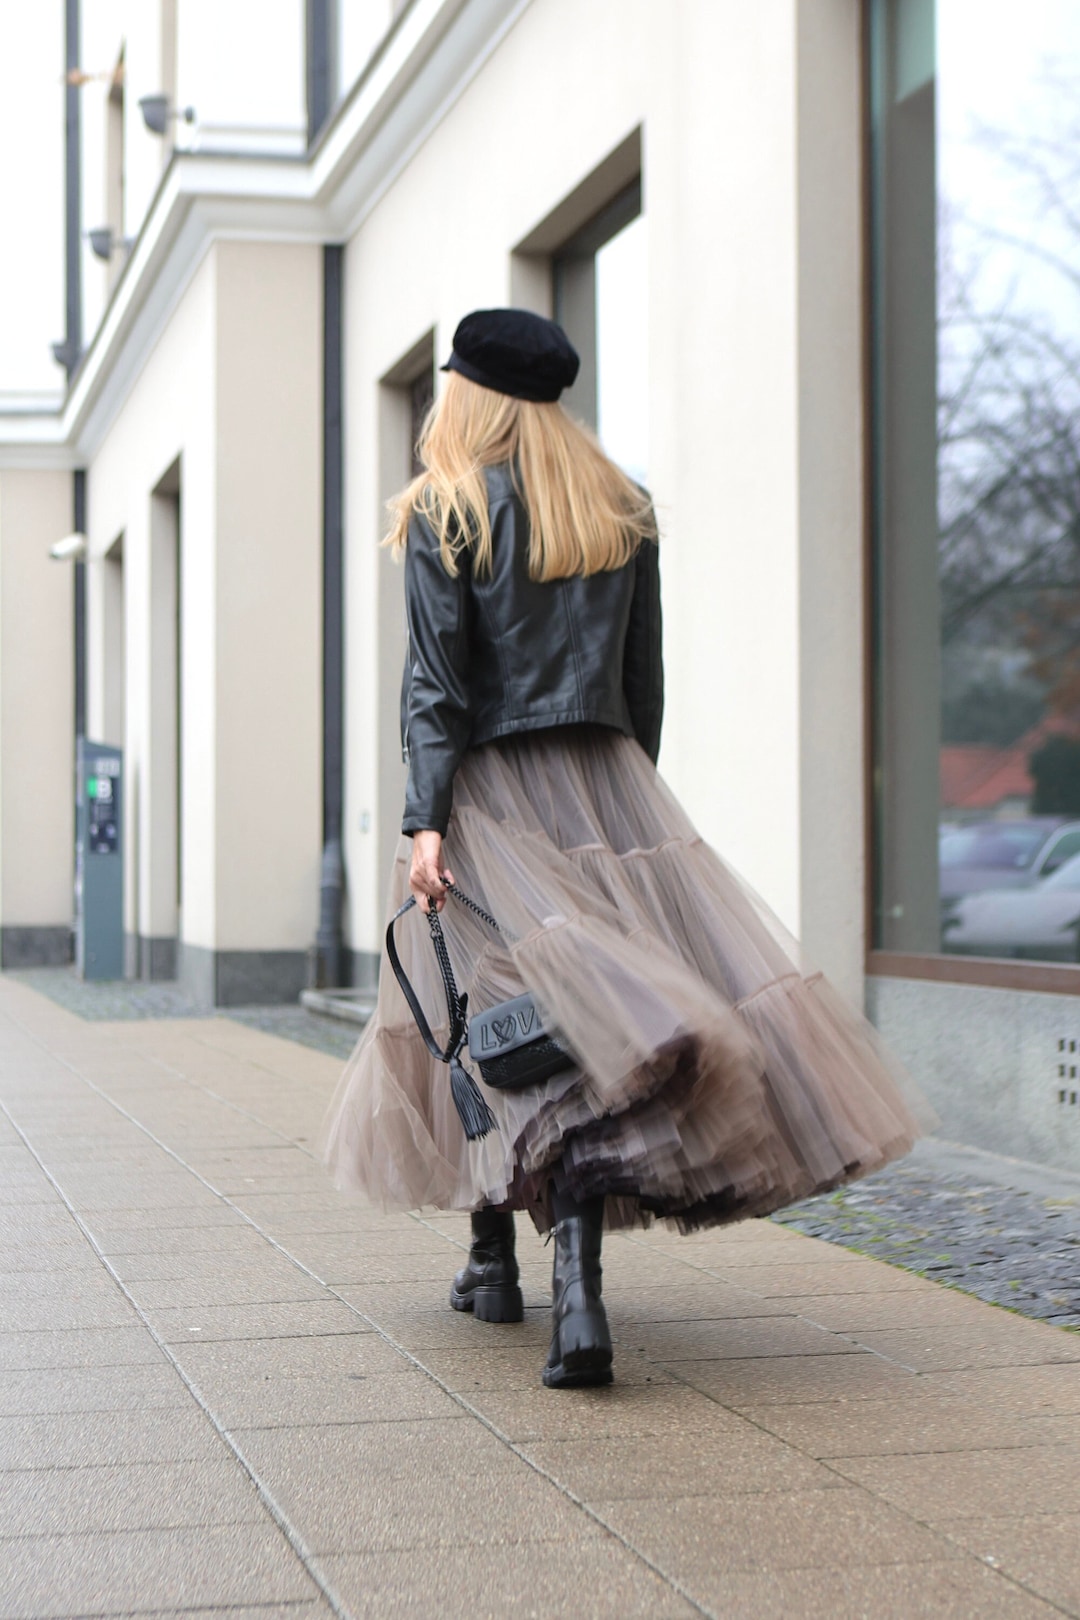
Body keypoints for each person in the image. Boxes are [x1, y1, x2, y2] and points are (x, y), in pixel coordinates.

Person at [322, 307, 930, 1390]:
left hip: (487, 788)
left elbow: (437, 689)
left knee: (480, 1014)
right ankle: (573, 1292)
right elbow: (643, 685)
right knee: (588, 1030)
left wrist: (426, 822)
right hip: (611, 786)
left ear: (471, 394)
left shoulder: (445, 506)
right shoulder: (622, 507)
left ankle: (498, 1264)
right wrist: (619, 809)